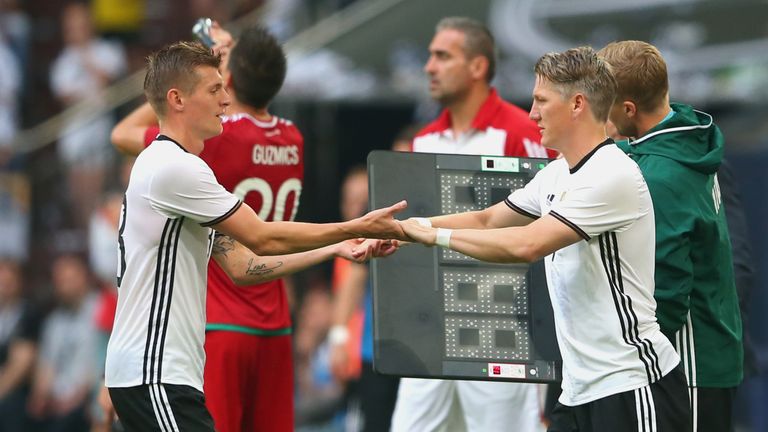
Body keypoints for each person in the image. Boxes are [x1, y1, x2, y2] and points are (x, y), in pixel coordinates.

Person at [104, 41, 406, 431]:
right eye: (214, 90)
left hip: (159, 373)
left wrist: (336, 248)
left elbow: (246, 265)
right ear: (177, 99)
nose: (226, 100)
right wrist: (357, 225)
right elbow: (261, 236)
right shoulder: (174, 169)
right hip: (156, 370)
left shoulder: (181, 171)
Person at [396, 46, 690, 432]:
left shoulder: (611, 174)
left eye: (540, 100)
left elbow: (526, 244)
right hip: (578, 390)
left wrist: (433, 237)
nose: (532, 113)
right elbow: (487, 220)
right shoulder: (556, 173)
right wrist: (405, 228)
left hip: (633, 386)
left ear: (577, 104)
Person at [111, 24, 314, 432]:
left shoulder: (217, 140)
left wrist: (188, 75)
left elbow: (124, 134)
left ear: (232, 79)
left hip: (220, 320)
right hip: (274, 317)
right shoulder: (293, 137)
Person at [391, 17, 554, 432]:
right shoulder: (423, 139)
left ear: (478, 66)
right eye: (430, 56)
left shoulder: (522, 132)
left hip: (505, 329)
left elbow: (548, 229)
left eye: (442, 56)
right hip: (431, 328)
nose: (429, 66)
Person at [598, 40, 743, 432]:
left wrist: (622, 358)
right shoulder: (682, 137)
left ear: (628, 109)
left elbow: (666, 291)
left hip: (687, 362)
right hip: (707, 352)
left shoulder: (660, 176)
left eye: (606, 105)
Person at [328, 166, 401, 432]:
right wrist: (338, 339)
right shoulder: (352, 244)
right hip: (371, 355)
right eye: (351, 200)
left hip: (412, 354)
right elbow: (351, 287)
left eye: (363, 199)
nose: (358, 208)